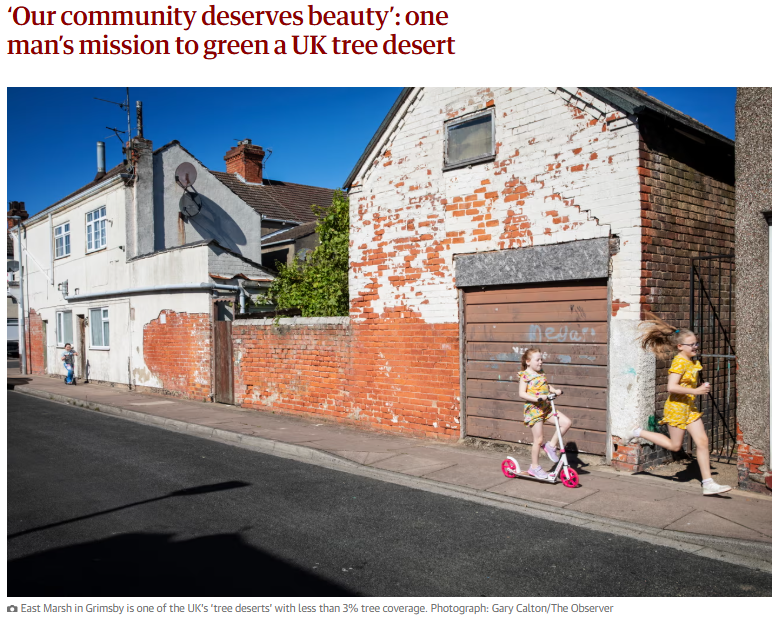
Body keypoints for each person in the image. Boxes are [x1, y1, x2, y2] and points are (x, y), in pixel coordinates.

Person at [623, 314, 731, 496]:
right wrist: (696, 391)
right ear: (680, 346)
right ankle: (638, 432)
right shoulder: (679, 362)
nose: (696, 347)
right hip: (676, 409)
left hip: (689, 408)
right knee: (675, 446)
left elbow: (685, 385)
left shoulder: (692, 360)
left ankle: (708, 483)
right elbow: (671, 387)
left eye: (696, 343)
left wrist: (698, 387)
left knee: (703, 442)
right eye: (692, 345)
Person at [518, 347, 572, 479]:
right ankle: (534, 467)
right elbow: (522, 393)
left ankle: (551, 445)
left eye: (541, 359)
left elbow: (546, 386)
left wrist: (554, 390)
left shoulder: (540, 372)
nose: (541, 362)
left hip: (546, 407)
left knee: (566, 423)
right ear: (528, 361)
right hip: (534, 410)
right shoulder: (525, 375)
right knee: (538, 439)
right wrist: (536, 398)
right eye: (538, 360)